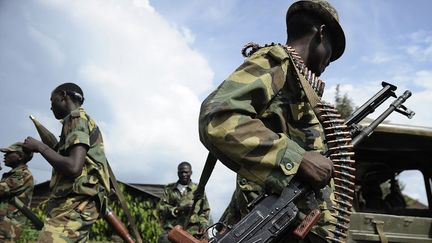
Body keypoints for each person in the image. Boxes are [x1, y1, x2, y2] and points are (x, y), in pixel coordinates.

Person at [199, 0, 346, 242]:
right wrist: (297, 159)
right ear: (321, 33)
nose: (331, 60)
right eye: (333, 48)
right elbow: (218, 117)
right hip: (275, 226)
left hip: (294, 227)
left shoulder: (299, 83)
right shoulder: (277, 61)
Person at [22, 82, 110, 243]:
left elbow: (73, 167)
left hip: (77, 203)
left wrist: (40, 147)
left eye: (52, 100)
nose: (50, 107)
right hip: (76, 203)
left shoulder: (76, 119)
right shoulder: (78, 121)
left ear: (63, 96)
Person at [157, 161, 210, 242]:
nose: (184, 174)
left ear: (191, 173)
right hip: (172, 228)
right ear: (178, 173)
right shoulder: (169, 189)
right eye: (181, 172)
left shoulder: (198, 189)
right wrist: (179, 209)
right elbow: (161, 209)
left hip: (193, 230)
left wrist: (203, 224)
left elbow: (205, 211)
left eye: (186, 172)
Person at [0, 142, 34, 242]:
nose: (5, 155)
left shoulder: (22, 175)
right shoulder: (12, 175)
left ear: (19, 156)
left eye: (8, 153)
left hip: (7, 226)